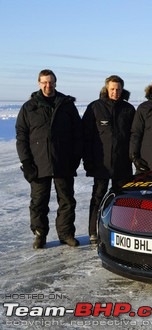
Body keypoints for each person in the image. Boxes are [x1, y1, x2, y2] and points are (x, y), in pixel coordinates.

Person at [16, 69, 83, 249]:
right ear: (39, 83)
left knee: (67, 200)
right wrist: (26, 162)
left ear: (55, 83)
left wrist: (75, 158)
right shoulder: (29, 107)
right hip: (38, 163)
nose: (48, 85)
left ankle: (66, 233)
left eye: (51, 82)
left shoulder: (66, 105)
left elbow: (78, 133)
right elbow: (21, 137)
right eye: (44, 82)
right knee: (38, 202)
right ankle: (40, 234)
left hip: (63, 161)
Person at [82, 75, 135, 244]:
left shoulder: (128, 109)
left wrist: (133, 156)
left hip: (122, 163)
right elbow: (85, 136)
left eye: (118, 89)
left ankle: (122, 230)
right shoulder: (95, 108)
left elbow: (135, 136)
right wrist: (87, 160)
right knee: (98, 196)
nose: (115, 92)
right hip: (101, 163)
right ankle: (94, 231)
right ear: (106, 89)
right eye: (112, 89)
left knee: (122, 198)